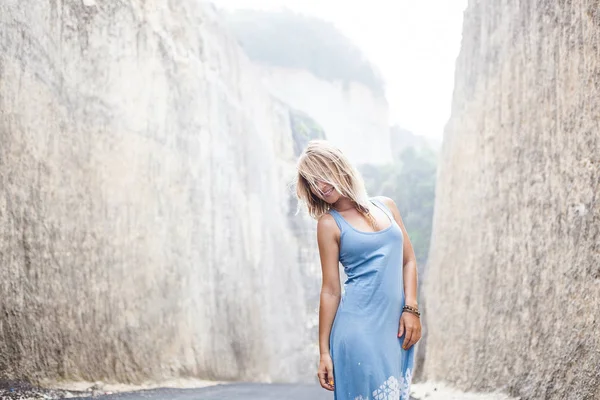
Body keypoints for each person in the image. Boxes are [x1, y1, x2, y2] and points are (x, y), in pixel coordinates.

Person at [296, 140, 421, 400]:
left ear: (339, 166)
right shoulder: (329, 224)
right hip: (358, 333)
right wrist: (323, 352)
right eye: (312, 182)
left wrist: (411, 308)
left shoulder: (387, 206)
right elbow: (330, 291)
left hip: (396, 330)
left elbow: (408, 261)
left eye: (323, 175)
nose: (321, 186)